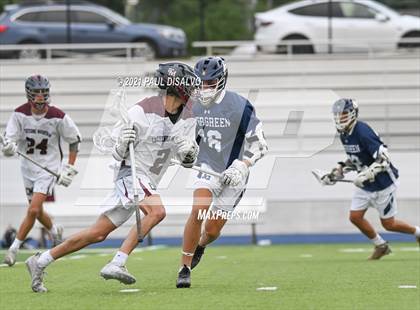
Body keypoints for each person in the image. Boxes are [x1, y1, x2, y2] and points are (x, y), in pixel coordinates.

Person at [25, 62, 200, 293]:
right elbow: (114, 151)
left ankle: (40, 260)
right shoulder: (142, 111)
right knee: (158, 212)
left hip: (148, 180)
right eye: (188, 84)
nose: (193, 91)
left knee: (97, 234)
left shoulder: (188, 117)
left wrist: (188, 155)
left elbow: (186, 160)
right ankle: (117, 262)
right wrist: (122, 142)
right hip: (130, 174)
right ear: (175, 86)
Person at [176, 56, 268, 288]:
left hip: (234, 172)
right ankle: (184, 267)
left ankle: (201, 246)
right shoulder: (192, 105)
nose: (205, 88)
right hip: (206, 166)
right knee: (198, 210)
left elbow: (260, 145)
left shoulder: (239, 105)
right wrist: (185, 152)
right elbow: (183, 137)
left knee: (213, 230)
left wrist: (242, 165)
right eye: (201, 83)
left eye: (210, 82)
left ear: (222, 80)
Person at [320, 98, 420, 260]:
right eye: (337, 115)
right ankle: (381, 245)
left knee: (389, 224)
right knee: (355, 217)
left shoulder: (362, 131)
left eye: (344, 114)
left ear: (353, 114)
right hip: (365, 185)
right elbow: (355, 159)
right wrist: (336, 173)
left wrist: (367, 174)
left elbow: (384, 158)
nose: (340, 118)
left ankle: (418, 232)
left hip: (383, 183)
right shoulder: (344, 134)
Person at [2, 75, 81, 267]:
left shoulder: (58, 116)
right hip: (27, 168)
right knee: (36, 212)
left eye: (43, 93)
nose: (40, 97)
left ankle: (13, 248)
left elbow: (74, 140)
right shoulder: (19, 114)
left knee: (34, 208)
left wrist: (69, 166)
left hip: (48, 168)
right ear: (29, 94)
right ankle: (55, 229)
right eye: (36, 93)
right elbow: (9, 140)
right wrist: (8, 148)